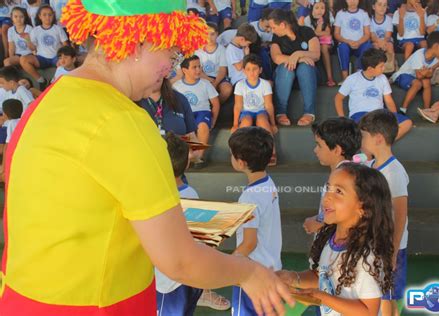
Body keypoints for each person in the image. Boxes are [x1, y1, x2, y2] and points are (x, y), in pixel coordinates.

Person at [0, 1, 294, 315]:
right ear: (140, 41)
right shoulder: (123, 120)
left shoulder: (46, 101)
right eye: (171, 53)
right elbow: (179, 261)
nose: (171, 67)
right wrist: (248, 272)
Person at [277, 163, 395, 316]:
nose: (327, 196)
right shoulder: (329, 240)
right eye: (328, 188)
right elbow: (322, 276)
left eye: (338, 191)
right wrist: (294, 277)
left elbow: (368, 311)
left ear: (363, 208)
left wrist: (322, 297)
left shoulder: (366, 256)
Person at [156, 132, 230, 314]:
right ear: (187, 163)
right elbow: (205, 239)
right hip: (191, 278)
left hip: (168, 282)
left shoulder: (159, 199)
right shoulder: (192, 194)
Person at [228, 126, 283, 315]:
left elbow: (250, 242)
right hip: (271, 269)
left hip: (252, 275)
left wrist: (229, 262)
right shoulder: (268, 182)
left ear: (241, 163)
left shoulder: (249, 197)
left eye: (231, 155)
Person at [359, 110, 409, 316]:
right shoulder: (370, 165)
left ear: (378, 138)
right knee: (376, 294)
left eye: (364, 136)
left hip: (389, 246)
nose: (361, 140)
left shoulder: (394, 172)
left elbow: (400, 215)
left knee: (387, 298)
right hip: (373, 243)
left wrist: (393, 252)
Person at [335, 48, 413, 140]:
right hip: (360, 115)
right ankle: (376, 148)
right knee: (369, 132)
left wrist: (393, 118)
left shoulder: (383, 78)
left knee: (407, 123)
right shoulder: (352, 79)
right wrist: (342, 119)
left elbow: (388, 100)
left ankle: (384, 144)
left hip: (380, 114)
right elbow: (338, 98)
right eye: (381, 66)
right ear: (370, 69)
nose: (384, 69)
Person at [303, 118, 362, 237]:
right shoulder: (347, 172)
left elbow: (345, 214)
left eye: (319, 145)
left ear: (336, 150)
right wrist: (317, 218)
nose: (315, 150)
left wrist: (318, 223)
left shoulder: (346, 179)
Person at [269, 9, 320, 126]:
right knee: (286, 67)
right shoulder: (276, 37)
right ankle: (281, 112)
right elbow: (276, 57)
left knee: (305, 67)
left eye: (273, 27)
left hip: (308, 76)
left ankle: (309, 112)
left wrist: (298, 54)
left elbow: (316, 54)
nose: (272, 30)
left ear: (282, 25)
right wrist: (299, 57)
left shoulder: (306, 31)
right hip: (285, 77)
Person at [173, 55, 220, 167]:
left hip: (202, 112)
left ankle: (199, 157)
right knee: (186, 127)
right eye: (194, 67)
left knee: (203, 126)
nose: (198, 70)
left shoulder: (205, 84)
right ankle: (191, 156)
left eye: (199, 66)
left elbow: (216, 103)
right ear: (184, 70)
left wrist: (213, 120)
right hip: (185, 114)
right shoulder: (176, 86)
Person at [232, 54, 278, 164]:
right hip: (246, 112)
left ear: (260, 70)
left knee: (262, 120)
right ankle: (239, 153)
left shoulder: (265, 84)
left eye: (254, 69)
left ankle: (272, 152)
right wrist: (234, 124)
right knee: (246, 121)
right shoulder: (240, 85)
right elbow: (238, 105)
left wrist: (272, 123)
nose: (251, 72)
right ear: (244, 71)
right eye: (248, 69)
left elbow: (268, 105)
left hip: (261, 111)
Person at [391, 31, 439, 113]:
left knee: (426, 81)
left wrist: (432, 68)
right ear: (436, 46)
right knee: (418, 83)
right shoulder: (420, 54)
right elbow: (419, 75)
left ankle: (426, 110)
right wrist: (436, 66)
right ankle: (403, 109)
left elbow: (429, 75)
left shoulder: (436, 59)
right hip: (402, 76)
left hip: (416, 78)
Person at [20, 4, 68, 90]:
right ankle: (41, 80)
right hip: (41, 58)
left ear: (53, 16)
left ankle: (53, 81)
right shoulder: (35, 30)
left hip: (56, 57)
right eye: (44, 15)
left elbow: (65, 45)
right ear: (39, 16)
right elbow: (33, 49)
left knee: (63, 62)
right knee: (23, 60)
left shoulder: (58, 29)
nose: (47, 17)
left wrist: (62, 57)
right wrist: (28, 40)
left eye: (50, 14)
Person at [334, 0, 372, 82]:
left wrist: (358, 42)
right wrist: (348, 41)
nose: (352, 1)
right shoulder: (340, 14)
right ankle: (345, 78)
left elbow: (367, 34)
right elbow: (336, 34)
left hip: (360, 44)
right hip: (346, 44)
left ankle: (359, 75)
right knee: (342, 47)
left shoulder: (364, 13)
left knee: (367, 45)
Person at [195, 22, 233, 105]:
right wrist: (209, 80)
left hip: (219, 76)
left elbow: (223, 70)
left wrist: (215, 83)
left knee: (227, 89)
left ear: (217, 34)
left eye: (212, 34)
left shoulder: (221, 49)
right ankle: (206, 106)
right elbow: (198, 70)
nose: (209, 37)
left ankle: (216, 106)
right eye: (206, 34)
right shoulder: (198, 50)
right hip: (204, 76)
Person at [305, 1, 336, 87]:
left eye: (322, 8)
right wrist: (319, 26)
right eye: (317, 8)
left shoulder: (327, 16)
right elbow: (310, 34)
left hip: (327, 43)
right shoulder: (307, 19)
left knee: (324, 47)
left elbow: (328, 33)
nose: (320, 11)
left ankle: (330, 77)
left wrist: (317, 30)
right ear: (312, 8)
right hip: (313, 44)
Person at [371, 0, 396, 73]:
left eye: (384, 5)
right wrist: (380, 43)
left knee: (389, 46)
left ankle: (390, 69)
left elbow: (388, 36)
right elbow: (373, 36)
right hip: (376, 41)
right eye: (379, 5)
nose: (382, 7)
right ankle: (377, 68)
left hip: (387, 41)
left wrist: (383, 43)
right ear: (373, 7)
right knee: (375, 46)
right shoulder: (370, 20)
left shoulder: (389, 20)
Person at [0, 98, 22, 181]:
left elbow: (7, 146)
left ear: (6, 114)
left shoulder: (11, 123)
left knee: (3, 176)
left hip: (14, 157)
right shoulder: (22, 120)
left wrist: (3, 167)